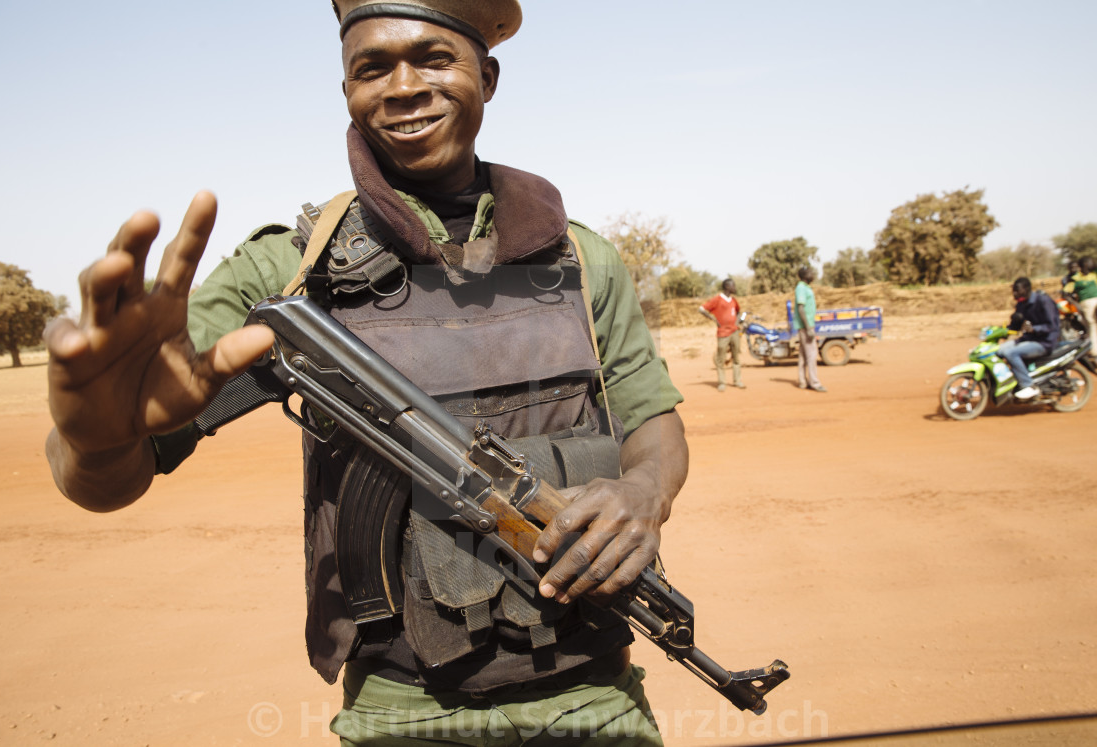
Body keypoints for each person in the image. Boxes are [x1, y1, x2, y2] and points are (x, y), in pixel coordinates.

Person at [42, 2, 689, 744]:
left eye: (433, 58)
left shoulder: (577, 260)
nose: (402, 85)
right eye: (371, 68)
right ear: (346, 90)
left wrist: (643, 492)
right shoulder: (290, 270)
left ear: (490, 75)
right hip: (400, 708)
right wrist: (95, 437)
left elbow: (652, 422)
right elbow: (101, 477)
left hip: (591, 696)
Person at [1000, 276, 1060, 400]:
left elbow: (1051, 326)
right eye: (1014, 290)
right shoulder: (1021, 304)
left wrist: (1034, 329)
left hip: (1045, 342)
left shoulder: (1043, 301)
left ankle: (1028, 385)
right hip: (1029, 339)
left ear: (1027, 289)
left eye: (1017, 290)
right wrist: (1001, 330)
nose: (1014, 293)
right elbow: (1015, 326)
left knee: (1010, 353)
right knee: (999, 350)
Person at [699, 278, 745, 391]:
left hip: (734, 331)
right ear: (727, 287)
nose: (735, 288)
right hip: (723, 333)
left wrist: (737, 322)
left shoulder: (734, 300)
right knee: (721, 358)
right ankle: (721, 382)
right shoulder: (717, 299)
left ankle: (737, 381)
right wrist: (713, 319)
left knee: (736, 357)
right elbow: (701, 309)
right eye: (733, 285)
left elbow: (738, 311)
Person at [793, 266, 826, 392]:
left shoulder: (803, 287)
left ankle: (802, 381)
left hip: (804, 326)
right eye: (810, 273)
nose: (813, 274)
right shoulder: (801, 288)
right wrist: (808, 328)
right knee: (811, 354)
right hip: (805, 326)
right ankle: (814, 383)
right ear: (804, 275)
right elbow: (801, 308)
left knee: (803, 355)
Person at [1063, 257, 1097, 348]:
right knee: (1092, 326)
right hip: (1086, 304)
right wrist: (1076, 304)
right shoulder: (1075, 278)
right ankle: (1094, 351)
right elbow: (1065, 293)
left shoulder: (1093, 274)